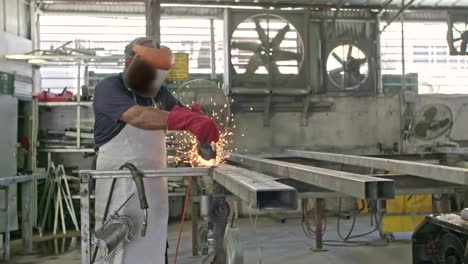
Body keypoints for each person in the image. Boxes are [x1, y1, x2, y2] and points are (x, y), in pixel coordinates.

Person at [93, 37, 220, 264]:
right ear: (128, 62)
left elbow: (180, 113)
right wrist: (187, 120)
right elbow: (139, 116)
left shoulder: (159, 93)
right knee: (119, 250)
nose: (153, 79)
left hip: (154, 185)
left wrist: (199, 126)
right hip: (119, 186)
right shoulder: (109, 88)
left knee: (153, 246)